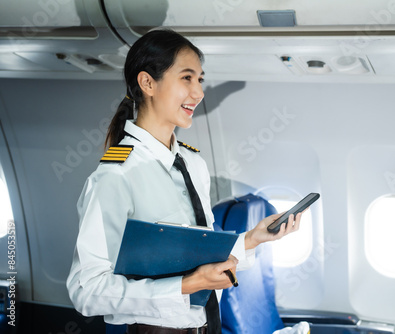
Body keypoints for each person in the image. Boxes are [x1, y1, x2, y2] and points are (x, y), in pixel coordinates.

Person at [66, 28, 302, 334]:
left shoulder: (193, 164)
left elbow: (198, 255)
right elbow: (87, 291)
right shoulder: (116, 175)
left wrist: (252, 239)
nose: (199, 92)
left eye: (200, 79)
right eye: (187, 78)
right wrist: (187, 285)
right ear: (147, 82)